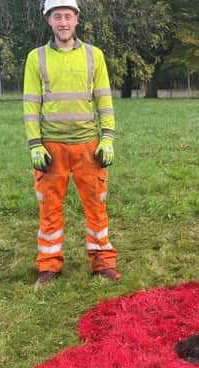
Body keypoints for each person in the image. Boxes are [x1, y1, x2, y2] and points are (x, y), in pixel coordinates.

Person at [23, 0, 121, 286]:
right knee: (49, 209)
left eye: (68, 16)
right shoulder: (35, 58)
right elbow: (31, 104)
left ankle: (103, 262)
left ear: (77, 20)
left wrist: (108, 138)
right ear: (48, 21)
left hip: (88, 146)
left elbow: (104, 98)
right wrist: (35, 144)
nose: (63, 22)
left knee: (96, 206)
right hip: (51, 147)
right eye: (57, 16)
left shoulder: (95, 56)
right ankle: (49, 265)